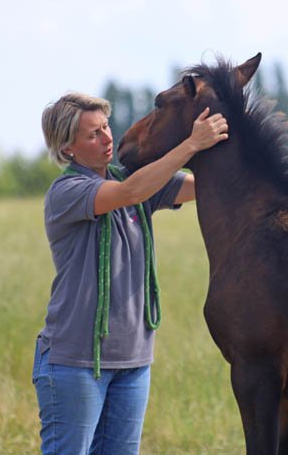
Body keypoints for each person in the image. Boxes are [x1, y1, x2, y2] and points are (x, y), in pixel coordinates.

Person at [34, 92, 228, 454]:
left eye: (106, 126)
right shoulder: (67, 191)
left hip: (134, 362)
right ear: (67, 148)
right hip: (75, 364)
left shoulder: (135, 180)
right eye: (93, 134)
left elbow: (202, 188)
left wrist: (227, 153)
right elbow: (130, 192)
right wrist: (191, 144)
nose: (107, 138)